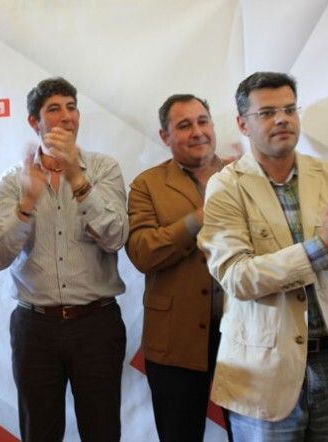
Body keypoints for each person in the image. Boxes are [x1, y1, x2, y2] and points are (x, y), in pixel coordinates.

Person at [198, 71, 328, 441]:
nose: (282, 119)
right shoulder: (225, 185)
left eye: (289, 109)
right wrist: (322, 245)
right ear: (242, 124)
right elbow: (237, 277)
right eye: (267, 113)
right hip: (264, 373)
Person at [0, 77, 128, 442]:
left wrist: (78, 179)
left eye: (72, 107)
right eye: (54, 109)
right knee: (39, 432)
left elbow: (116, 237)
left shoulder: (104, 169)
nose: (66, 116)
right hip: (35, 328)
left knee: (102, 432)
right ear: (34, 122)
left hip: (96, 324)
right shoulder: (13, 180)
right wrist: (26, 204)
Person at [126, 94, 232, 441]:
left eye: (203, 121)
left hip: (243, 336)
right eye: (184, 125)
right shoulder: (147, 185)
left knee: (252, 435)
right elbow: (142, 253)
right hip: (175, 339)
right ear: (165, 136)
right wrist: (197, 219)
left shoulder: (242, 175)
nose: (197, 132)